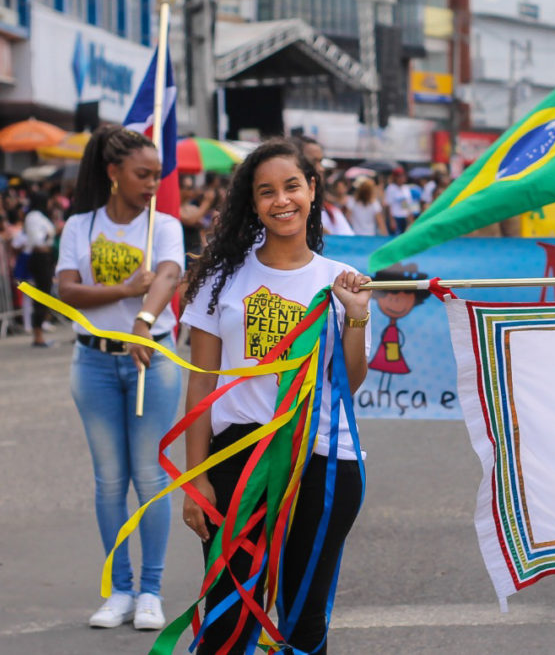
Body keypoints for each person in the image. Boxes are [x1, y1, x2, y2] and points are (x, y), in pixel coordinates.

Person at [180, 138, 371, 654]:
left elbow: (349, 384)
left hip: (324, 462)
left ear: (312, 190)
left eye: (292, 186)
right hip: (238, 459)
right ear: (253, 203)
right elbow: (201, 379)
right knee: (228, 616)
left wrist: (355, 315)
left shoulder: (341, 281)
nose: (281, 200)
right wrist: (195, 480)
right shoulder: (220, 279)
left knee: (304, 619)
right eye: (266, 192)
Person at [56, 124, 184, 631]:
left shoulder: (165, 225)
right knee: (109, 481)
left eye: (157, 175)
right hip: (92, 363)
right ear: (114, 173)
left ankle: (150, 590)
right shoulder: (79, 227)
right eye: (142, 174)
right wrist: (124, 289)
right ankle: (118, 588)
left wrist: (143, 321)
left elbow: (170, 275)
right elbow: (67, 289)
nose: (153, 183)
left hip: (152, 358)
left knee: (150, 478)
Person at [24, 193, 57, 347]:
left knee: (45, 294)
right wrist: (53, 232)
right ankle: (38, 334)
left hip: (45, 257)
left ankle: (40, 332)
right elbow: (38, 240)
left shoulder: (39, 217)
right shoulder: (34, 217)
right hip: (40, 257)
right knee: (42, 296)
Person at [384, 167, 414, 234]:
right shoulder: (391, 188)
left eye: (403, 176)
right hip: (395, 217)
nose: (402, 178)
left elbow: (406, 204)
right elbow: (389, 205)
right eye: (399, 176)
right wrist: (392, 220)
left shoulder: (405, 188)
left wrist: (410, 219)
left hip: (404, 217)